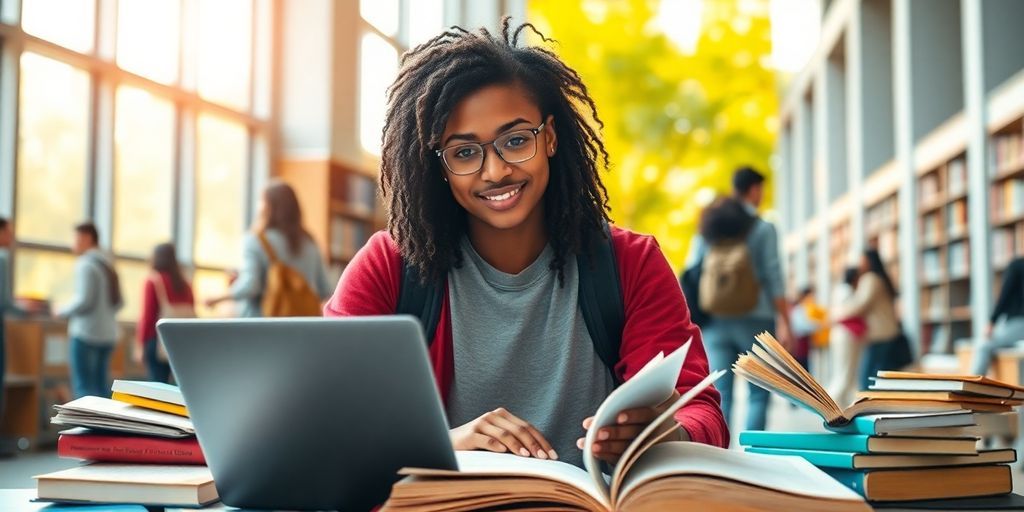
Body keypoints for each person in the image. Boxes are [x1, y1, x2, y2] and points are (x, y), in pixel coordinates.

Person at [324, 19, 727, 469]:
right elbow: (329, 424)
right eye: (464, 152)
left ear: (550, 137)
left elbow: (702, 412)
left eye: (516, 141)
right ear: (438, 165)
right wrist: (445, 443)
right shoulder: (389, 266)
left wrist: (670, 430)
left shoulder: (631, 263)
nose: (495, 171)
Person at [685, 168, 793, 432]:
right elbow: (773, 275)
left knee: (721, 393)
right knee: (758, 394)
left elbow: (692, 269)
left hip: (715, 321)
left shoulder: (710, 222)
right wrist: (786, 320)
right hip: (756, 320)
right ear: (754, 189)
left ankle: (722, 461)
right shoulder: (764, 228)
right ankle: (753, 457)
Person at [205, 181, 332, 317]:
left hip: (262, 324)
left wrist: (218, 298)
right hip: (303, 324)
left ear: (268, 206)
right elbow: (325, 289)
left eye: (261, 201)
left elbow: (251, 285)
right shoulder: (310, 243)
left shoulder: (256, 240)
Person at [56, 222, 123, 399]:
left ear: (86, 238)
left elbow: (84, 300)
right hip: (108, 334)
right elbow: (119, 302)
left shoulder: (85, 264)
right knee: (101, 389)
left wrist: (61, 310)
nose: (73, 244)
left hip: (86, 333)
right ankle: (102, 427)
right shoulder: (107, 264)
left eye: (75, 239)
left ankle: (87, 426)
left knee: (84, 389)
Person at [832, 249, 900, 391]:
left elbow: (860, 305)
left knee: (866, 377)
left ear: (868, 261)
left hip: (878, 334)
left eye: (862, 260)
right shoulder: (880, 278)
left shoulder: (870, 279)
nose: (859, 264)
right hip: (887, 332)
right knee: (877, 374)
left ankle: (867, 408)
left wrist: (837, 314)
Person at [136, 243, 195, 383]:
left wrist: (140, 345)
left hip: (156, 341)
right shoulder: (186, 284)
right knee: (178, 384)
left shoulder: (153, 281)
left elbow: (148, 317)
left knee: (157, 384)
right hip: (180, 342)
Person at [970, 257, 1024, 376]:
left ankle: (972, 387)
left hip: (1019, 323)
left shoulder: (1017, 265)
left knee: (983, 346)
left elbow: (1005, 296)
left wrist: (991, 322)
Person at [827, 267, 868, 405]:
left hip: (840, 333)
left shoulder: (839, 290)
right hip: (846, 334)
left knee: (845, 373)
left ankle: (845, 406)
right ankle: (828, 405)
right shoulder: (847, 291)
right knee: (844, 373)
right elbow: (850, 311)